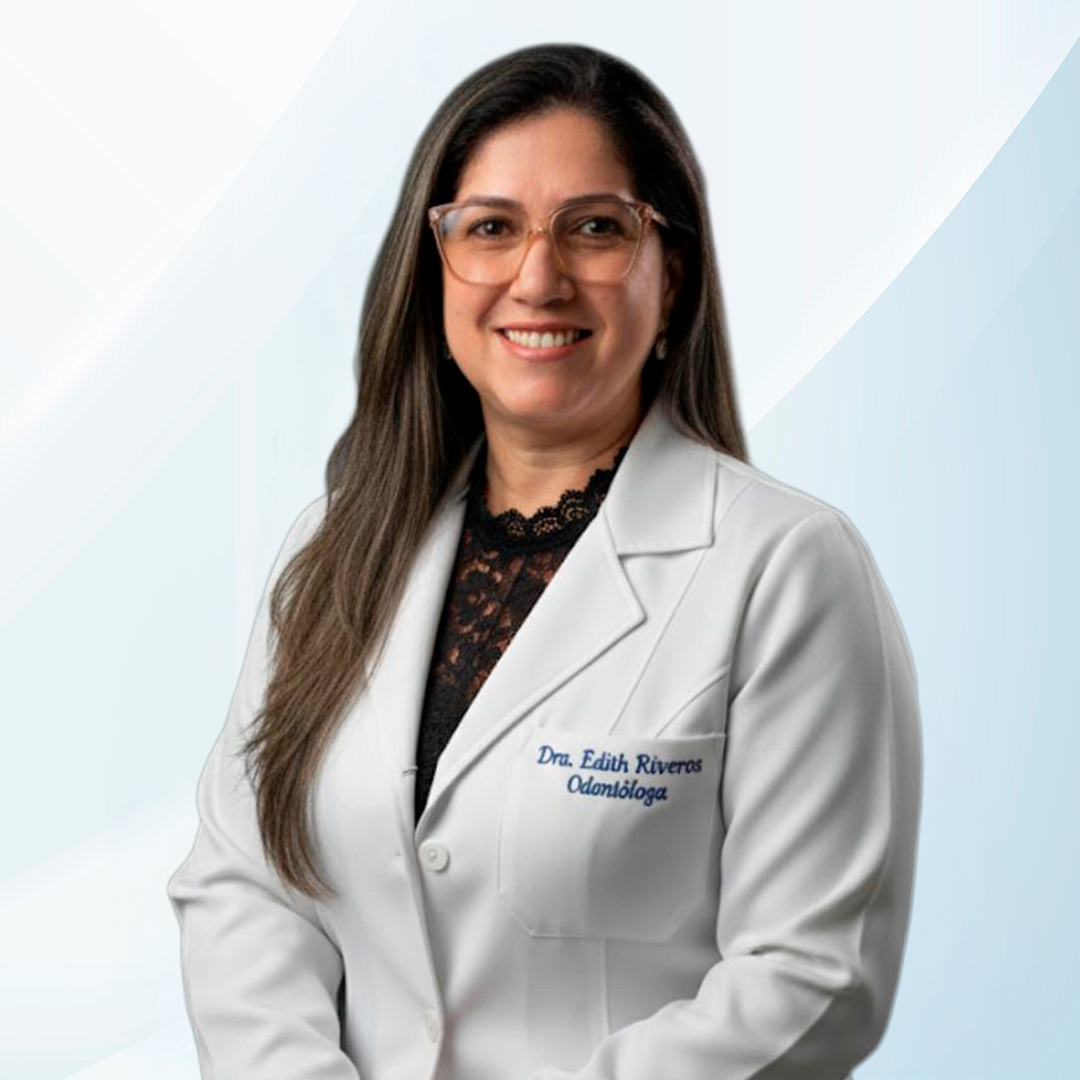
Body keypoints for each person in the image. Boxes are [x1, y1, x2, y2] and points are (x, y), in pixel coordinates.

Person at [167, 42, 921, 1080]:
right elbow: (244, 885)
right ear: (434, 272)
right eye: (490, 228)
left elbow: (812, 977)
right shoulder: (335, 549)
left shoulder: (784, 570)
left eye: (595, 228)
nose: (538, 277)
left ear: (671, 276)